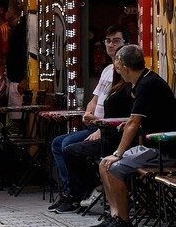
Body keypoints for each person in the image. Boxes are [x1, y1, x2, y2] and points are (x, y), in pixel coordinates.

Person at [94, 45, 176, 227]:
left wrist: (118, 153)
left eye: (118, 67)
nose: (117, 71)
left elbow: (134, 122)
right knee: (104, 164)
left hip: (161, 150)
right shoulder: (144, 81)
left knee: (113, 167)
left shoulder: (147, 85)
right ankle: (114, 215)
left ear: (125, 67)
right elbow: (138, 120)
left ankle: (124, 221)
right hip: (151, 146)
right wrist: (128, 125)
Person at [48, 26, 127, 213]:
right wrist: (87, 113)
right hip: (96, 126)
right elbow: (94, 99)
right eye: (108, 41)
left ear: (126, 44)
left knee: (68, 145)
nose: (111, 45)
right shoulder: (108, 69)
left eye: (116, 41)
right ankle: (70, 191)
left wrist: (102, 128)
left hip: (109, 131)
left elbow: (123, 110)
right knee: (57, 143)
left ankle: (78, 192)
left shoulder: (125, 72)